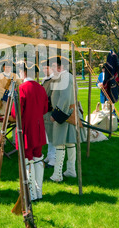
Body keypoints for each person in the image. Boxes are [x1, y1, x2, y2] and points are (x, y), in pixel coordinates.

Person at [10, 61, 48, 201]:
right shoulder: (41, 88)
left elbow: (15, 113)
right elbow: (44, 109)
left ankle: (30, 193)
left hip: (26, 128)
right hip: (39, 128)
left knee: (27, 159)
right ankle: (39, 192)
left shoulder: (22, 88)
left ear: (23, 72)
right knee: (38, 158)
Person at [49, 55, 87, 182]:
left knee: (60, 144)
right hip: (68, 113)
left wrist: (56, 115)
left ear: (61, 66)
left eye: (54, 66)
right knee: (70, 143)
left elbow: (64, 98)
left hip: (65, 114)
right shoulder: (64, 77)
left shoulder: (65, 77)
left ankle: (58, 174)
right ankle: (70, 170)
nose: (52, 69)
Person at [40, 58, 56, 167]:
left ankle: (53, 159)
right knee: (48, 135)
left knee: (53, 135)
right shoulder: (45, 79)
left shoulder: (54, 80)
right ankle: (49, 156)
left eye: (47, 67)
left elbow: (54, 97)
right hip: (45, 110)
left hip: (51, 110)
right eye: (44, 68)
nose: (45, 69)